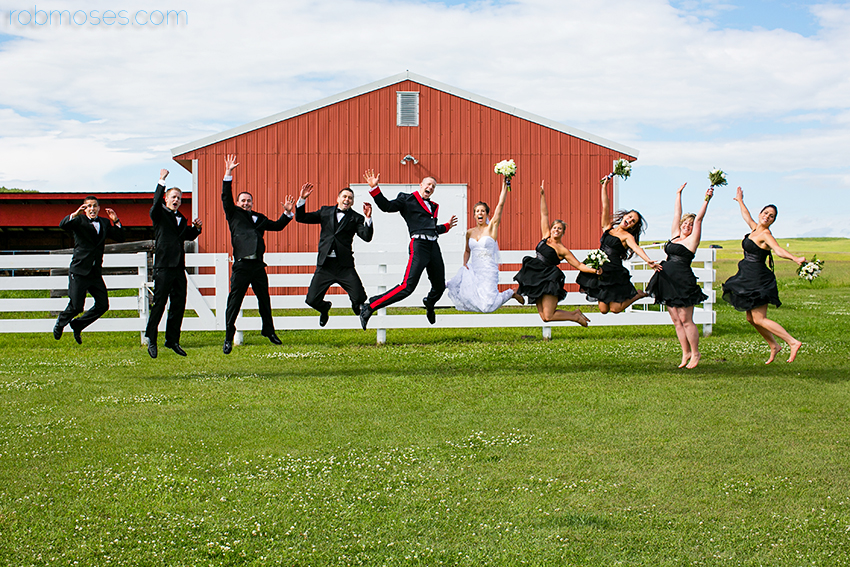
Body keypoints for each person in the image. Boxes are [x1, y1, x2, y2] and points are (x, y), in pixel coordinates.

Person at [359, 170, 458, 329]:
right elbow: (387, 206)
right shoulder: (407, 199)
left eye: (433, 186)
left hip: (433, 246)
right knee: (407, 287)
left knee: (439, 286)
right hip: (419, 246)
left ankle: (429, 302)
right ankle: (370, 306)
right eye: (428, 185)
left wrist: (445, 227)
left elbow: (429, 228)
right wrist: (375, 189)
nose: (430, 188)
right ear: (421, 185)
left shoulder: (433, 206)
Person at [221, 154, 295, 354]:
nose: (246, 203)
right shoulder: (233, 214)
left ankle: (268, 330)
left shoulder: (259, 217)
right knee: (234, 301)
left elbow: (277, 226)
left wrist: (288, 213)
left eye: (249, 201)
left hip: (258, 266)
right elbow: (225, 197)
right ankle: (228, 335)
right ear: (238, 202)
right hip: (242, 265)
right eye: (243, 200)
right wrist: (228, 173)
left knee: (264, 298)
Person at [722, 187, 804, 364]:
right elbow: (746, 215)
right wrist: (740, 200)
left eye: (771, 216)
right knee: (751, 318)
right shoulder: (754, 229)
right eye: (766, 213)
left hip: (758, 279)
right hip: (748, 276)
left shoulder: (765, 234)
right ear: (760, 214)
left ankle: (792, 341)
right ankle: (774, 345)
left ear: (773, 221)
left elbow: (779, 250)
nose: (767, 216)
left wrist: (795, 258)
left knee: (760, 318)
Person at [646, 183, 713, 368]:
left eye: (690, 225)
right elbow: (676, 214)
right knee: (676, 320)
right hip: (666, 279)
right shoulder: (675, 235)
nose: (687, 226)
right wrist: (678, 194)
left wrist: (707, 199)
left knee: (686, 319)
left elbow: (699, 219)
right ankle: (685, 354)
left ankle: (696, 353)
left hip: (682, 280)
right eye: (685, 223)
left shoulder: (693, 240)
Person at [513, 181, 596, 326]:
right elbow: (544, 214)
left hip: (549, 279)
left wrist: (594, 270)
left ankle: (575, 317)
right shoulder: (545, 236)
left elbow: (579, 265)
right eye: (554, 228)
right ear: (551, 229)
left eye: (559, 229)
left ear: (563, 232)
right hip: (535, 276)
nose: (556, 230)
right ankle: (575, 314)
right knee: (545, 318)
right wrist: (542, 196)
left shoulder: (563, 250)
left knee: (549, 315)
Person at [576, 175, 661, 313]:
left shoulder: (627, 237)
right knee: (603, 310)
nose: (630, 220)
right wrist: (604, 187)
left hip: (614, 272)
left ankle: (637, 295)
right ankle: (636, 295)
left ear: (632, 227)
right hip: (601, 270)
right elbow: (605, 206)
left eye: (633, 221)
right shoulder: (607, 228)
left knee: (615, 309)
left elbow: (636, 248)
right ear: (624, 216)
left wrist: (648, 261)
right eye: (629, 217)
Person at [295, 183, 374, 327]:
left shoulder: (356, 218)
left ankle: (356, 307)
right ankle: (324, 308)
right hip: (325, 265)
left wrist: (368, 218)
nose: (347, 199)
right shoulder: (325, 211)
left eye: (350, 198)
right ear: (338, 199)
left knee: (360, 297)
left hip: (344, 265)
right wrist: (302, 200)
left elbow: (367, 237)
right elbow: (301, 218)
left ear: (353, 201)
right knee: (311, 300)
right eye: (344, 196)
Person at [144, 169, 203, 358]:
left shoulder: (181, 219)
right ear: (166, 199)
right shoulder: (159, 215)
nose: (176, 200)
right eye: (173, 197)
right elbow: (154, 204)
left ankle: (172, 340)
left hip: (179, 267)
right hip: (163, 267)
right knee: (159, 303)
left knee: (178, 304)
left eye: (179, 198)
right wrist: (161, 180)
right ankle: (151, 339)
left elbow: (187, 235)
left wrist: (196, 229)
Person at [53, 196, 125, 344]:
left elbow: (120, 237)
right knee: (77, 306)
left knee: (103, 305)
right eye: (89, 206)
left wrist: (116, 220)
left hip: (94, 272)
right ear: (85, 208)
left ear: (98, 208)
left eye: (94, 206)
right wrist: (75, 214)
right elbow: (63, 225)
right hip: (79, 270)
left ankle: (78, 324)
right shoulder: (78, 221)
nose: (92, 209)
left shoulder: (104, 222)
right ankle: (61, 323)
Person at [446, 176, 523, 312]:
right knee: (464, 293)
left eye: (482, 211)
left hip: (488, 269)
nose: (479, 213)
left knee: (488, 307)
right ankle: (436, 287)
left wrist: (504, 186)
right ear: (474, 215)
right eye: (477, 211)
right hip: (474, 268)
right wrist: (464, 264)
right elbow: (467, 251)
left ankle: (511, 292)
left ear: (487, 214)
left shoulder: (491, 228)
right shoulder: (469, 232)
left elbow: (500, 205)